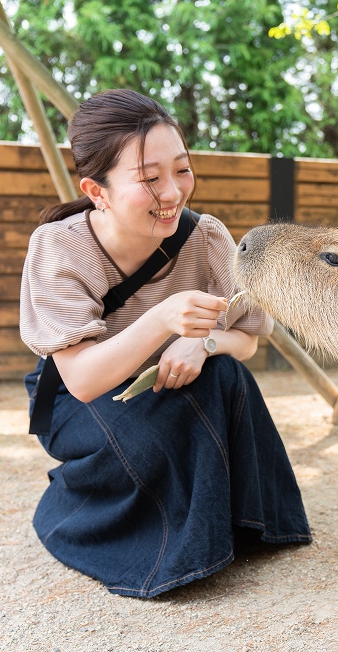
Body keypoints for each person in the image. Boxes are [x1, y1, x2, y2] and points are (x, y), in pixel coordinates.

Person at [20, 89, 311, 598]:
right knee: (153, 429)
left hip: (169, 381)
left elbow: (247, 341)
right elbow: (82, 380)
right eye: (150, 179)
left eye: (182, 170)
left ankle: (245, 525)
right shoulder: (58, 248)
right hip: (75, 398)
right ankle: (88, 518)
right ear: (97, 190)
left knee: (226, 376)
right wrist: (161, 320)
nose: (173, 192)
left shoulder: (206, 238)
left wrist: (204, 344)